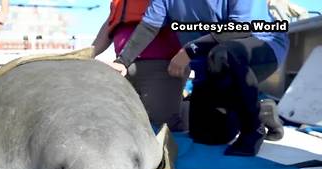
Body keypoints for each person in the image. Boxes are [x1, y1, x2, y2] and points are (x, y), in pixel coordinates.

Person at [109, 0, 289, 156]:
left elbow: (241, 28)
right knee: (207, 136)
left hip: (260, 46)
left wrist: (190, 49)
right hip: (209, 64)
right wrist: (122, 61)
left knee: (224, 55)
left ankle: (253, 130)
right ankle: (262, 109)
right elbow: (149, 27)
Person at [92, 0, 187, 131]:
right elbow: (110, 24)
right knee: (122, 127)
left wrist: (186, 54)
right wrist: (90, 53)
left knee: (162, 127)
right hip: (122, 68)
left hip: (162, 66)